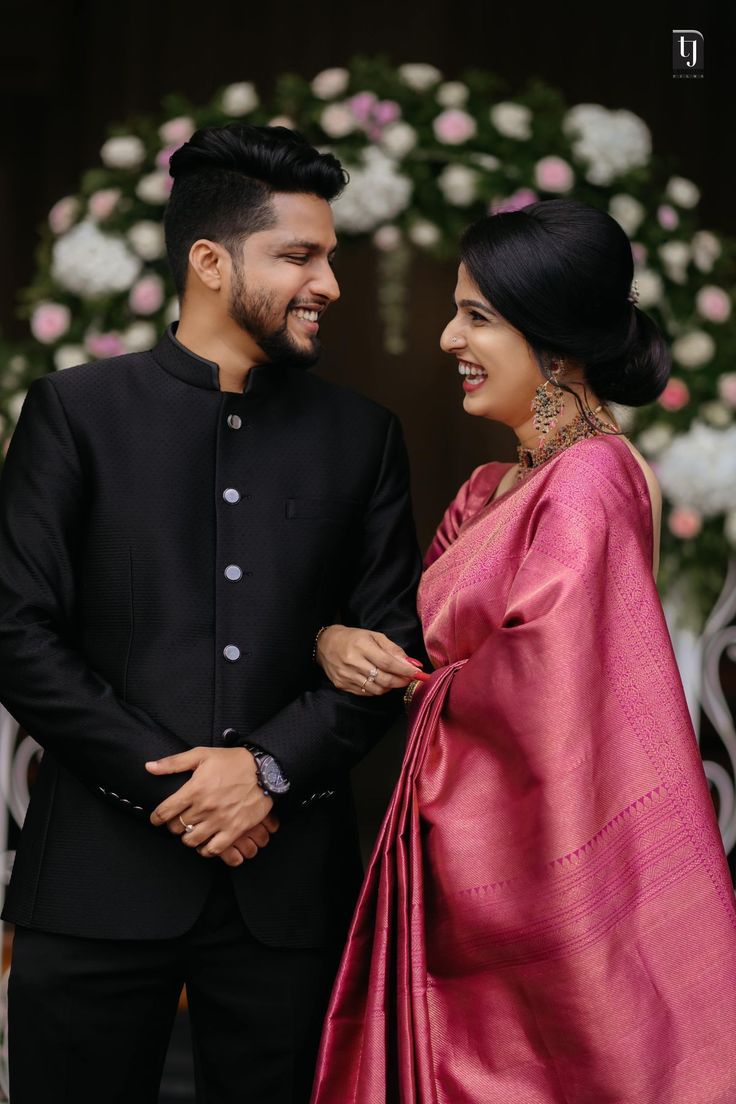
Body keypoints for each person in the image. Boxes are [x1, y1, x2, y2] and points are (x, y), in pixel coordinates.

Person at [0, 123, 426, 1104]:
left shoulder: (362, 438)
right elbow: (18, 632)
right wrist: (178, 789)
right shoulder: (74, 412)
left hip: (288, 900)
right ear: (209, 260)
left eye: (330, 256)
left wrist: (265, 771)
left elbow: (390, 647)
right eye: (298, 256)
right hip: (94, 885)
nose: (328, 282)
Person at [311, 199, 736, 1103]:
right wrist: (338, 638)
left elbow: (542, 693)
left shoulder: (590, 482)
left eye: (476, 317)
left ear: (552, 340)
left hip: (535, 873)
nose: (446, 339)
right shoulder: (495, 487)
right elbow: (417, 642)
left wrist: (413, 680)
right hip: (459, 850)